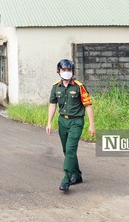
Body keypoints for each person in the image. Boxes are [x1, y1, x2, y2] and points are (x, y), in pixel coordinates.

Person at [46, 59, 95, 192]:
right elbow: (53, 104)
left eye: (69, 70)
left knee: (70, 150)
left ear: (72, 71)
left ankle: (66, 179)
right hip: (62, 121)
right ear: (59, 71)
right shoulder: (56, 87)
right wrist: (49, 122)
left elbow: (88, 105)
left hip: (76, 122)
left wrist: (92, 124)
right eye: (64, 70)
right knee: (67, 151)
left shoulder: (79, 86)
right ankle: (77, 175)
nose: (66, 72)